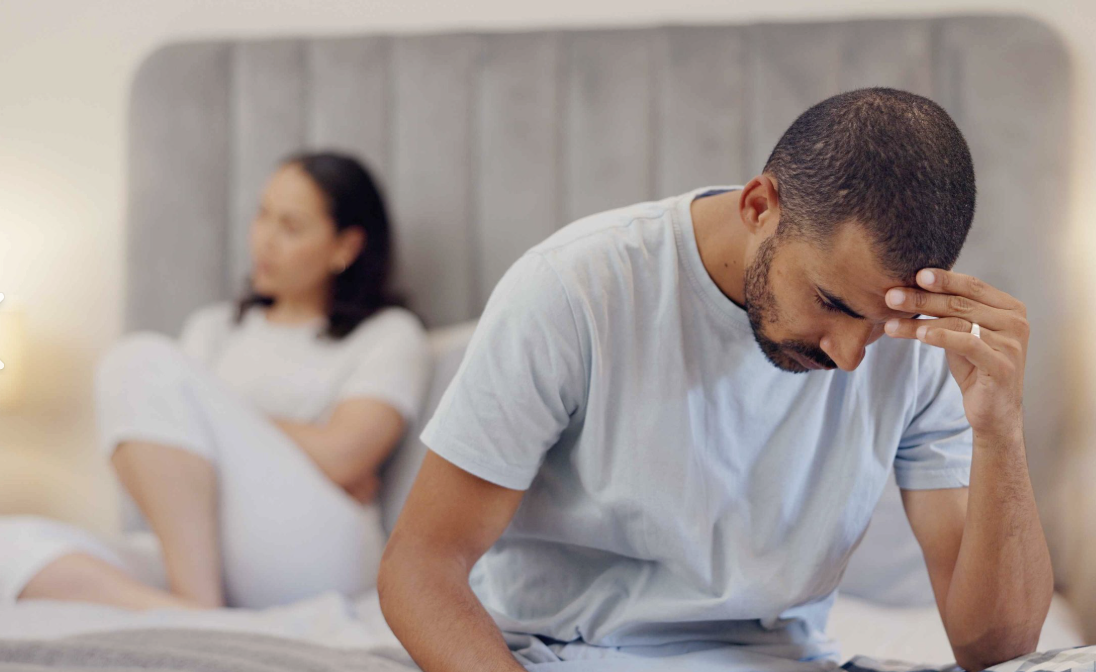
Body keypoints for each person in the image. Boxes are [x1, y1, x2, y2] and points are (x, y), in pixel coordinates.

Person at [378, 88, 1054, 672]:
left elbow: (995, 650)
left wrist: (1000, 429)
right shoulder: (574, 291)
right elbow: (420, 567)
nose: (852, 356)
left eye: (878, 323)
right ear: (761, 205)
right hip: (565, 653)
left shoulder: (922, 340)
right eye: (832, 303)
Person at [0, 152, 431, 610]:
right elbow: (164, 462)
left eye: (291, 226)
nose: (265, 240)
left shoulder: (389, 333)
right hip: (208, 548)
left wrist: (210, 417)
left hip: (316, 551)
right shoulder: (214, 328)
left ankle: (194, 605)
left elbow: (344, 457)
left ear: (345, 246)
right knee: (13, 544)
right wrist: (292, 437)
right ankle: (188, 612)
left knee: (137, 359)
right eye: (262, 215)